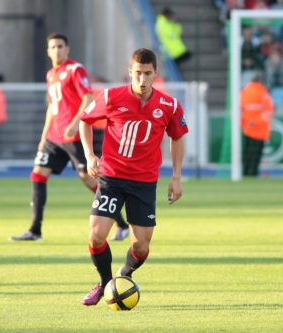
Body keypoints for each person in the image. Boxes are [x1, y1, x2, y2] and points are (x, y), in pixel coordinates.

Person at [78, 48, 188, 306]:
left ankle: (123, 277)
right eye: (137, 73)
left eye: (147, 74)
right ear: (130, 72)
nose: (142, 79)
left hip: (144, 183)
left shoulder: (169, 105)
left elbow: (177, 137)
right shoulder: (111, 97)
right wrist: (90, 156)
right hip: (111, 178)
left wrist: (176, 177)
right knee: (95, 236)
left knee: (141, 246)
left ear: (155, 74)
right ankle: (105, 284)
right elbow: (85, 120)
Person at [9, 33, 128, 242]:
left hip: (73, 137)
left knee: (88, 178)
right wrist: (43, 136)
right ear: (48, 51)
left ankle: (122, 224)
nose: (56, 50)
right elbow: (52, 108)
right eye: (52, 47)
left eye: (60, 46)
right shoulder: (50, 74)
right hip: (54, 137)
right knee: (37, 175)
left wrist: (75, 123)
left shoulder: (75, 69)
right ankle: (35, 231)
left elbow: (87, 98)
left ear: (67, 49)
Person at [240, 73, 274, 176]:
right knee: (256, 154)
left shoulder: (243, 93)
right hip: (260, 130)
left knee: (247, 153)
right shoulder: (264, 93)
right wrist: (256, 122)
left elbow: (237, 111)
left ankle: (245, 173)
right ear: (260, 82)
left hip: (246, 128)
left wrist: (244, 123)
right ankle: (253, 173)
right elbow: (269, 111)